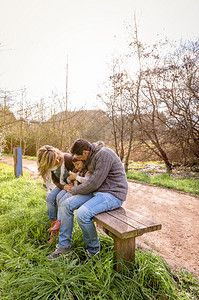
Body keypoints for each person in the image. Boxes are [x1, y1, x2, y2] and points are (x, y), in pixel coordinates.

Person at [48, 139, 128, 259]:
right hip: (97, 192)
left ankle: (94, 251)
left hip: (112, 193)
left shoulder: (104, 154)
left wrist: (74, 191)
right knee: (65, 205)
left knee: (82, 214)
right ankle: (63, 248)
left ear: (85, 153)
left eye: (79, 157)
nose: (79, 159)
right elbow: (91, 183)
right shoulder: (92, 156)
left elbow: (93, 184)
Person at [37, 145, 74, 244]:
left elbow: (78, 174)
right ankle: (53, 226)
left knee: (59, 198)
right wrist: (63, 187)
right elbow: (56, 181)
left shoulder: (67, 159)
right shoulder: (52, 167)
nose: (57, 162)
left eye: (56, 158)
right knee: (49, 198)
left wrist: (68, 187)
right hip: (63, 185)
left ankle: (58, 228)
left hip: (72, 186)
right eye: (53, 162)